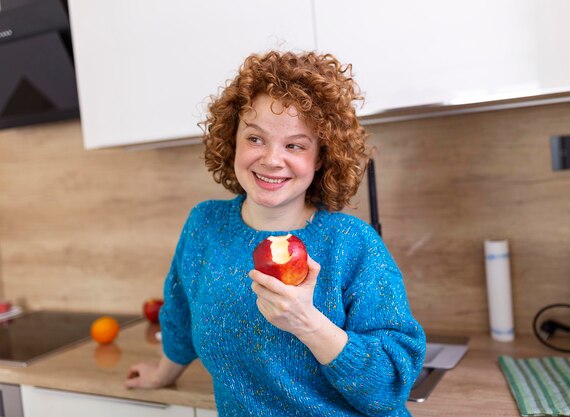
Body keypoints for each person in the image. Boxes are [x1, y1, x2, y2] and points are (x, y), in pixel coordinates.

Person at [124, 50, 426, 416]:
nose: (271, 159)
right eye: (255, 138)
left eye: (295, 145)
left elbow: (392, 385)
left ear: (320, 158)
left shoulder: (352, 244)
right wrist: (162, 374)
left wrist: (307, 323)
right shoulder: (205, 226)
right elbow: (181, 318)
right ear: (232, 139)